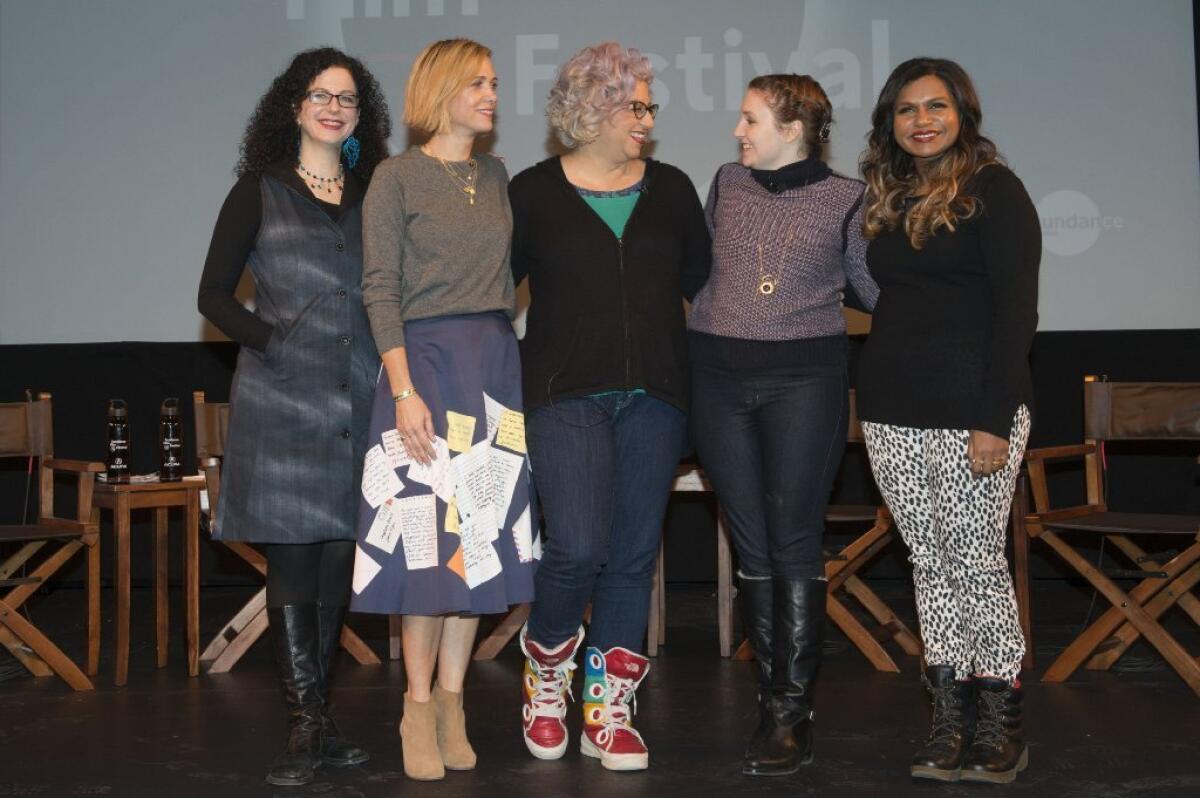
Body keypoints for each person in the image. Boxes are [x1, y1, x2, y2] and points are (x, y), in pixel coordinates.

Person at [508, 41, 711, 772]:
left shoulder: (675, 189)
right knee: (579, 547)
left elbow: (701, 286)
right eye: (637, 105)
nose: (648, 120)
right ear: (591, 108)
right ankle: (547, 670)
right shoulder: (529, 194)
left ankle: (610, 707)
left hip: (657, 396)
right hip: (564, 396)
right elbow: (494, 296)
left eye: (650, 106)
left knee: (631, 556)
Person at [197, 47, 391, 787]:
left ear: (358, 114)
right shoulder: (259, 190)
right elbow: (213, 294)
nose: (334, 107)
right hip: (282, 399)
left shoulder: (374, 192)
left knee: (340, 560)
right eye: (320, 94)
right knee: (294, 561)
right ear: (293, 106)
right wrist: (271, 339)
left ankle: (323, 715)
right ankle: (304, 721)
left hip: (361, 396)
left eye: (346, 98)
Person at [349, 38, 537, 782]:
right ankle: (417, 706)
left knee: (481, 544)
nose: (492, 94)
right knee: (428, 549)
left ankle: (456, 703)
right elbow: (379, 288)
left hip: (494, 364)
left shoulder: (496, 175)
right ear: (441, 90)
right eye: (478, 84)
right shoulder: (396, 177)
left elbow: (506, 275)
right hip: (422, 370)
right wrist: (403, 391)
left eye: (494, 83)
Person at [687, 74, 878, 777]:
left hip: (806, 377)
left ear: (794, 127)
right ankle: (771, 702)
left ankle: (789, 713)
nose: (738, 131)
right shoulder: (726, 183)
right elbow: (699, 269)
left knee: (793, 534)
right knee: (751, 542)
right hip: (716, 378)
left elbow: (872, 288)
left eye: (750, 119)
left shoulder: (847, 198)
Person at [857, 57, 1040, 784]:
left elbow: (1017, 313)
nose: (922, 120)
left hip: (976, 411)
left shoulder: (998, 191)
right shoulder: (886, 194)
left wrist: (994, 417)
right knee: (929, 565)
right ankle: (949, 716)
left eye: (936, 106)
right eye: (907, 109)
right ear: (891, 122)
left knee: (976, 562)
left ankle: (1001, 721)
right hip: (891, 407)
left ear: (963, 113)